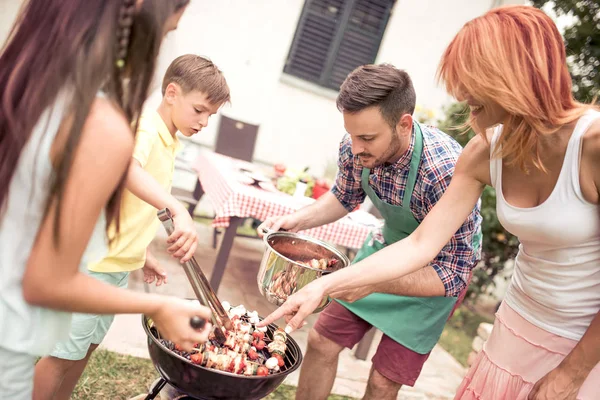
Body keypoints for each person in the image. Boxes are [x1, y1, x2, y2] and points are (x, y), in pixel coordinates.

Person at [260, 5, 600, 400]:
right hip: (516, 324)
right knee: (323, 341)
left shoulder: (591, 145)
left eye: (468, 80)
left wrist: (572, 374)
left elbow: (447, 265)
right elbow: (421, 243)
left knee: (384, 379)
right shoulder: (482, 152)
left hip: (579, 342)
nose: (458, 94)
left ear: (511, 74)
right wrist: (330, 284)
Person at [0, 1, 213, 398]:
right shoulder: (104, 126)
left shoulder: (24, 79)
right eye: (166, 33)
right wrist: (157, 307)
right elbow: (45, 281)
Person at [259, 63, 482, 400]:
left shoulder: (445, 169)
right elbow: (345, 196)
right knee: (321, 341)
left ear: (404, 124)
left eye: (367, 137)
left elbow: (455, 273)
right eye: (352, 134)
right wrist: (297, 220)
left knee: (382, 381)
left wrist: (370, 282)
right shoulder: (355, 147)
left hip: (435, 275)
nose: (356, 147)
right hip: (383, 250)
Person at [33, 54, 230, 400]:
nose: (204, 122)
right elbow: (126, 169)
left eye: (210, 115)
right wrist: (177, 208)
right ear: (171, 93)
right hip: (91, 267)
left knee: (85, 350)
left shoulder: (170, 140)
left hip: (116, 267)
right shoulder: (146, 129)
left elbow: (132, 205)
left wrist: (143, 253)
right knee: (59, 357)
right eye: (199, 110)